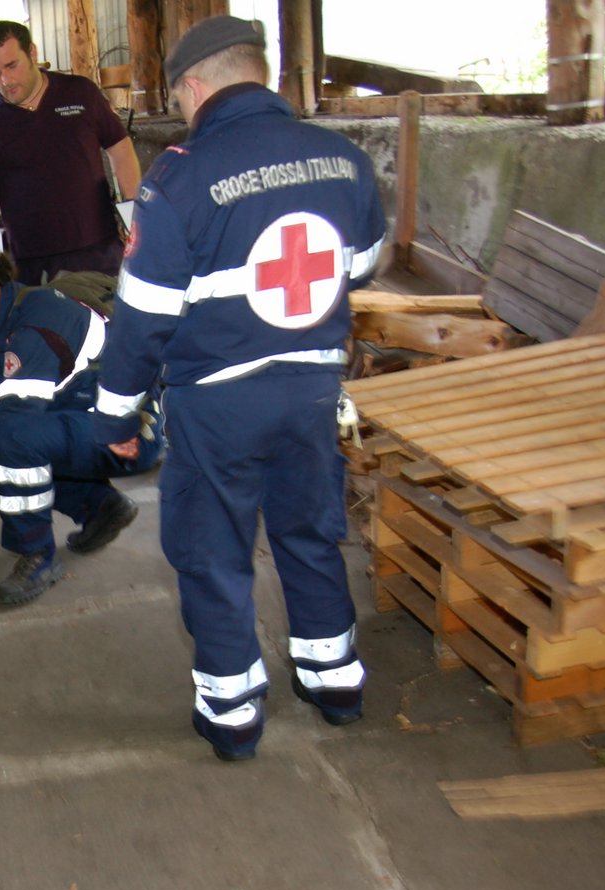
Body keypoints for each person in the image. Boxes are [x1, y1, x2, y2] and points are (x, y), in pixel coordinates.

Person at [92, 16, 387, 762]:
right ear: (262, 73)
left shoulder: (180, 179)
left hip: (218, 403)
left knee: (213, 549)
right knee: (310, 532)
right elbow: (364, 264)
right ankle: (335, 682)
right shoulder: (344, 160)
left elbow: (145, 317)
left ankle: (232, 713)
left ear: (194, 87)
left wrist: (114, 413)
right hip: (314, 391)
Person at [0, 241, 163, 606]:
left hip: (130, 435)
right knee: (18, 440)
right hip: (94, 421)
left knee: (20, 441)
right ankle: (100, 506)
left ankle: (37, 556)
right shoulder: (2, 327)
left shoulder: (31, 329)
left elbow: (7, 436)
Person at [0, 20, 141, 286]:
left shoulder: (81, 93)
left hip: (98, 253)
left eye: (12, 66)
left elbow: (121, 149)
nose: (5, 80)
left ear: (33, 54)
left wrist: (134, 219)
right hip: (32, 266)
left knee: (110, 325)